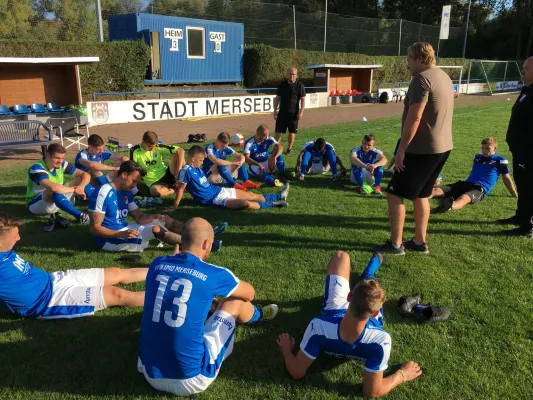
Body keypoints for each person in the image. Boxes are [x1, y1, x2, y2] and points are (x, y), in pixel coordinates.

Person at [137, 217, 279, 396]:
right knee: (234, 301)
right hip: (189, 378)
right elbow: (249, 293)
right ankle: (259, 315)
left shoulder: (157, 264)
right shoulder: (214, 273)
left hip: (147, 369)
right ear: (206, 244)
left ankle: (213, 309)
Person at [276, 251, 421, 397]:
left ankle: (368, 273)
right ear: (377, 314)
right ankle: (369, 274)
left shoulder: (318, 327)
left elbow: (296, 372)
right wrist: (402, 375)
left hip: (335, 310)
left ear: (349, 296)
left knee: (341, 256)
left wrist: (287, 350)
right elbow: (372, 391)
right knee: (373, 292)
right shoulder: (381, 341)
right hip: (357, 320)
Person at [373, 42, 454, 255]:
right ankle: (419, 242)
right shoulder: (444, 76)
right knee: (422, 195)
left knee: (394, 193)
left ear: (419, 58)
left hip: (422, 149)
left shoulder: (421, 80)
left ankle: (395, 244)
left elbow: (415, 117)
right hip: (443, 146)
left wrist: (402, 150)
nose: (408, 65)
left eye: (409, 60)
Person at [0, 213, 147, 319]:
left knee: (115, 272)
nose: (18, 238)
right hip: (49, 301)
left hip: (54, 279)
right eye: (14, 236)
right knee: (116, 294)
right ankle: (167, 298)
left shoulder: (4, 249)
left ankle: (167, 270)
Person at [87, 160, 222, 252]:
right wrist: (119, 234)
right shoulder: (103, 192)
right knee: (156, 229)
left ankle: (203, 235)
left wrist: (155, 216)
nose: (135, 185)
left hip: (123, 230)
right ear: (123, 175)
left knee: (163, 219)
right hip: (110, 240)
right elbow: (94, 228)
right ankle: (199, 244)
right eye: (134, 181)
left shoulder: (125, 192)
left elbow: (139, 216)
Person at [172, 146, 290, 211]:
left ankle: (279, 196)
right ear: (193, 159)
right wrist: (174, 207)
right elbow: (181, 189)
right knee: (245, 203)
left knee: (250, 194)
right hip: (214, 200)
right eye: (201, 160)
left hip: (219, 191)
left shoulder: (196, 168)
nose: (202, 162)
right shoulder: (186, 171)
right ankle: (274, 204)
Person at [431, 137, 517, 213]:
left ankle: (449, 206)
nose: (484, 150)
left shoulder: (500, 160)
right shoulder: (477, 157)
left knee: (464, 198)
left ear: (495, 148)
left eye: (487, 148)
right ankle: (420, 197)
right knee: (435, 190)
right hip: (466, 183)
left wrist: (514, 193)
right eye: (482, 148)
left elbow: (506, 178)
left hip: (480, 188)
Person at [499, 56, 533, 237]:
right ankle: (521, 216)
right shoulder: (527, 89)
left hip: (529, 152)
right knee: (522, 184)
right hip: (520, 150)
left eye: (526, 69)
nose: (522, 71)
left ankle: (528, 226)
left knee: (529, 187)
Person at [26, 143, 93, 228]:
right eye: (57, 158)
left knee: (80, 179)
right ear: (47, 155)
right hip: (38, 204)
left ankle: (99, 206)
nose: (60, 161)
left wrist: (81, 187)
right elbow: (53, 188)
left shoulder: (62, 164)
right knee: (53, 191)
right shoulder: (36, 168)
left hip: (58, 198)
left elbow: (86, 174)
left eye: (62, 158)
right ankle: (81, 217)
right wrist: (75, 190)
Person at [130, 131, 185, 198]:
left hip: (167, 173)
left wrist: (178, 171)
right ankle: (174, 189)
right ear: (143, 141)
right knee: (154, 192)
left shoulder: (157, 146)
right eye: (150, 146)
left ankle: (185, 179)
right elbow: (132, 169)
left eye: (153, 146)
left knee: (178, 154)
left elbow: (181, 150)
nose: (152, 148)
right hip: (154, 181)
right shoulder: (134, 150)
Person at [273, 67, 306, 155]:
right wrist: (275, 110)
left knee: (292, 132)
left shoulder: (300, 85)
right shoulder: (282, 84)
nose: (291, 76)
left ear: (296, 75)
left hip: (293, 113)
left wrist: (301, 112)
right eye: (290, 74)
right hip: (282, 112)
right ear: (287, 74)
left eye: (293, 74)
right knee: (278, 131)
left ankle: (289, 149)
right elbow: (277, 98)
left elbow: (303, 99)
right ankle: (277, 148)